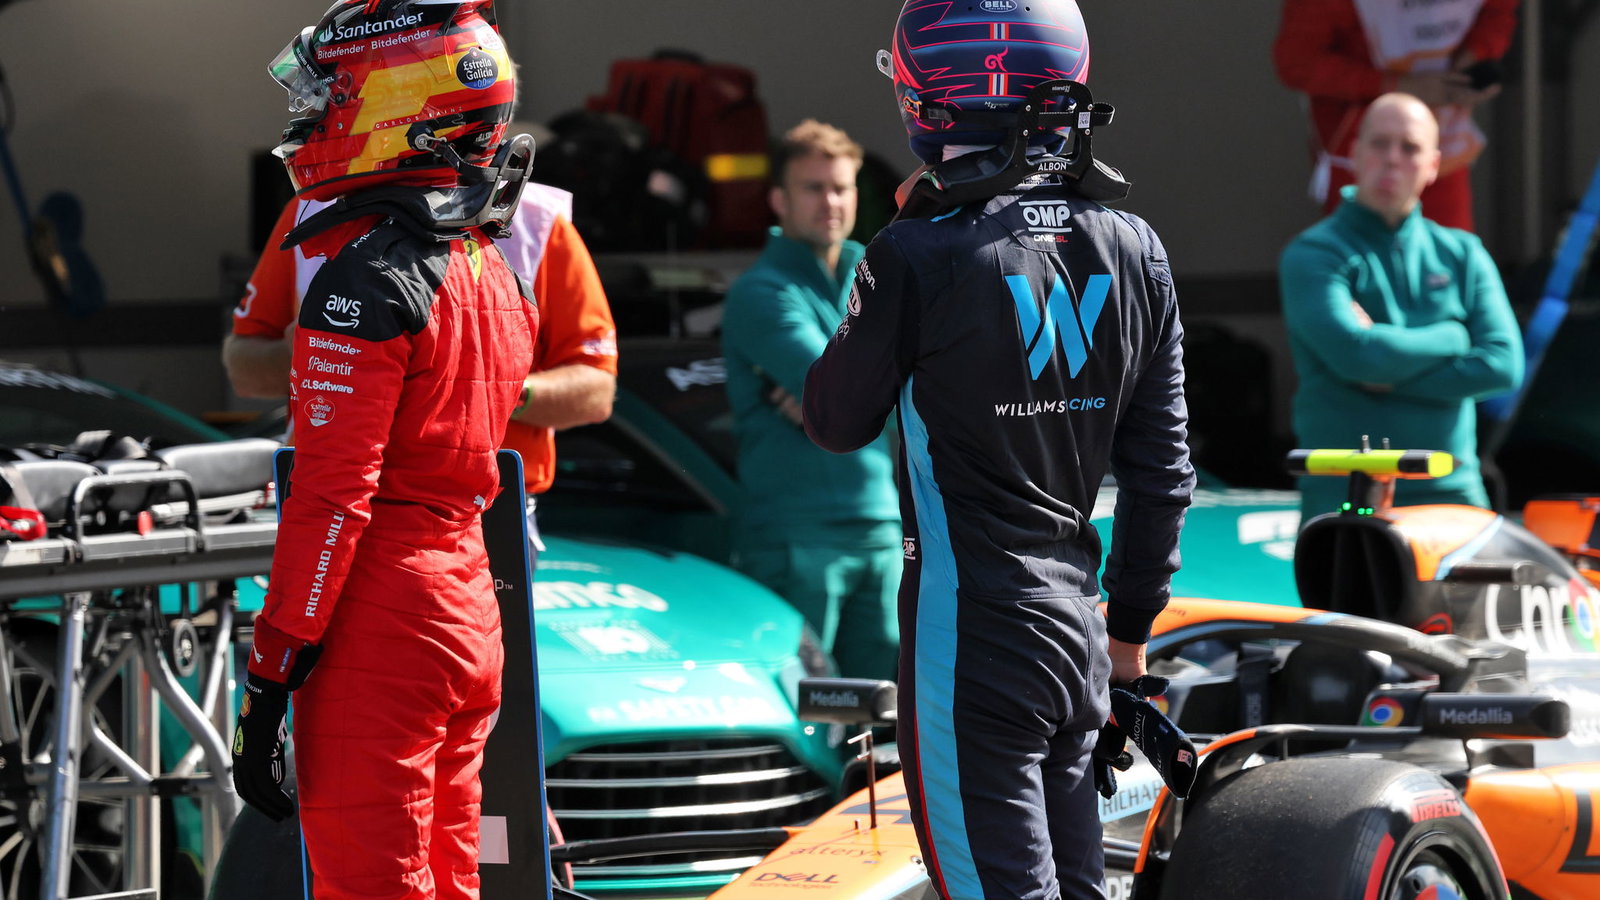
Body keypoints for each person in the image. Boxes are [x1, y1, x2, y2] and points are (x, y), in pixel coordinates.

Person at [802, 2, 1195, 898]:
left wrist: (886, 256)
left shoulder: (915, 251)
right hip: (1082, 635)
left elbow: (833, 418)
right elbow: (1163, 473)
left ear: (935, 101)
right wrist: (1127, 633)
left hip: (970, 630)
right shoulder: (1138, 246)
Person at [228, 3, 538, 898]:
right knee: (452, 878)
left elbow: (332, 500)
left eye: (329, 94)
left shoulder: (363, 276)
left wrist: (269, 677)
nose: (311, 116)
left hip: (381, 622)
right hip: (469, 606)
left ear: (397, 104)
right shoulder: (492, 261)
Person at [226, 144, 618, 564]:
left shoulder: (539, 221)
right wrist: (328, 350)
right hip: (332, 494)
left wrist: (480, 390)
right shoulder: (313, 208)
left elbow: (595, 392)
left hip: (485, 509)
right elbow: (244, 368)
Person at [1279, 93, 1523, 523]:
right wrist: (1453, 336)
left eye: (1410, 147)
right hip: (1346, 492)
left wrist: (1385, 374)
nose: (1392, 158)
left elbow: (1503, 366)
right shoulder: (1314, 252)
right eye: (1379, 143)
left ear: (1433, 165)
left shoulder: (1462, 252)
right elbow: (1358, 356)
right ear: (1353, 153)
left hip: (1452, 490)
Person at [719, 119, 901, 682]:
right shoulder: (761, 292)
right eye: (813, 187)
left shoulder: (878, 275)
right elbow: (845, 383)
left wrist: (839, 399)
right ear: (778, 198)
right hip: (795, 533)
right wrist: (868, 387)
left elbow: (868, 387)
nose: (831, 201)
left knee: (895, 718)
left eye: (841, 187)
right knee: (812, 715)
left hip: (884, 527)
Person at [1273, 0, 1519, 231]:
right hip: (1356, 146)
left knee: (1447, 261)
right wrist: (1398, 85)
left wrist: (1472, 60)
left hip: (1444, 142)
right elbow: (1297, 62)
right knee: (1360, 260)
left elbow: (1497, 14)